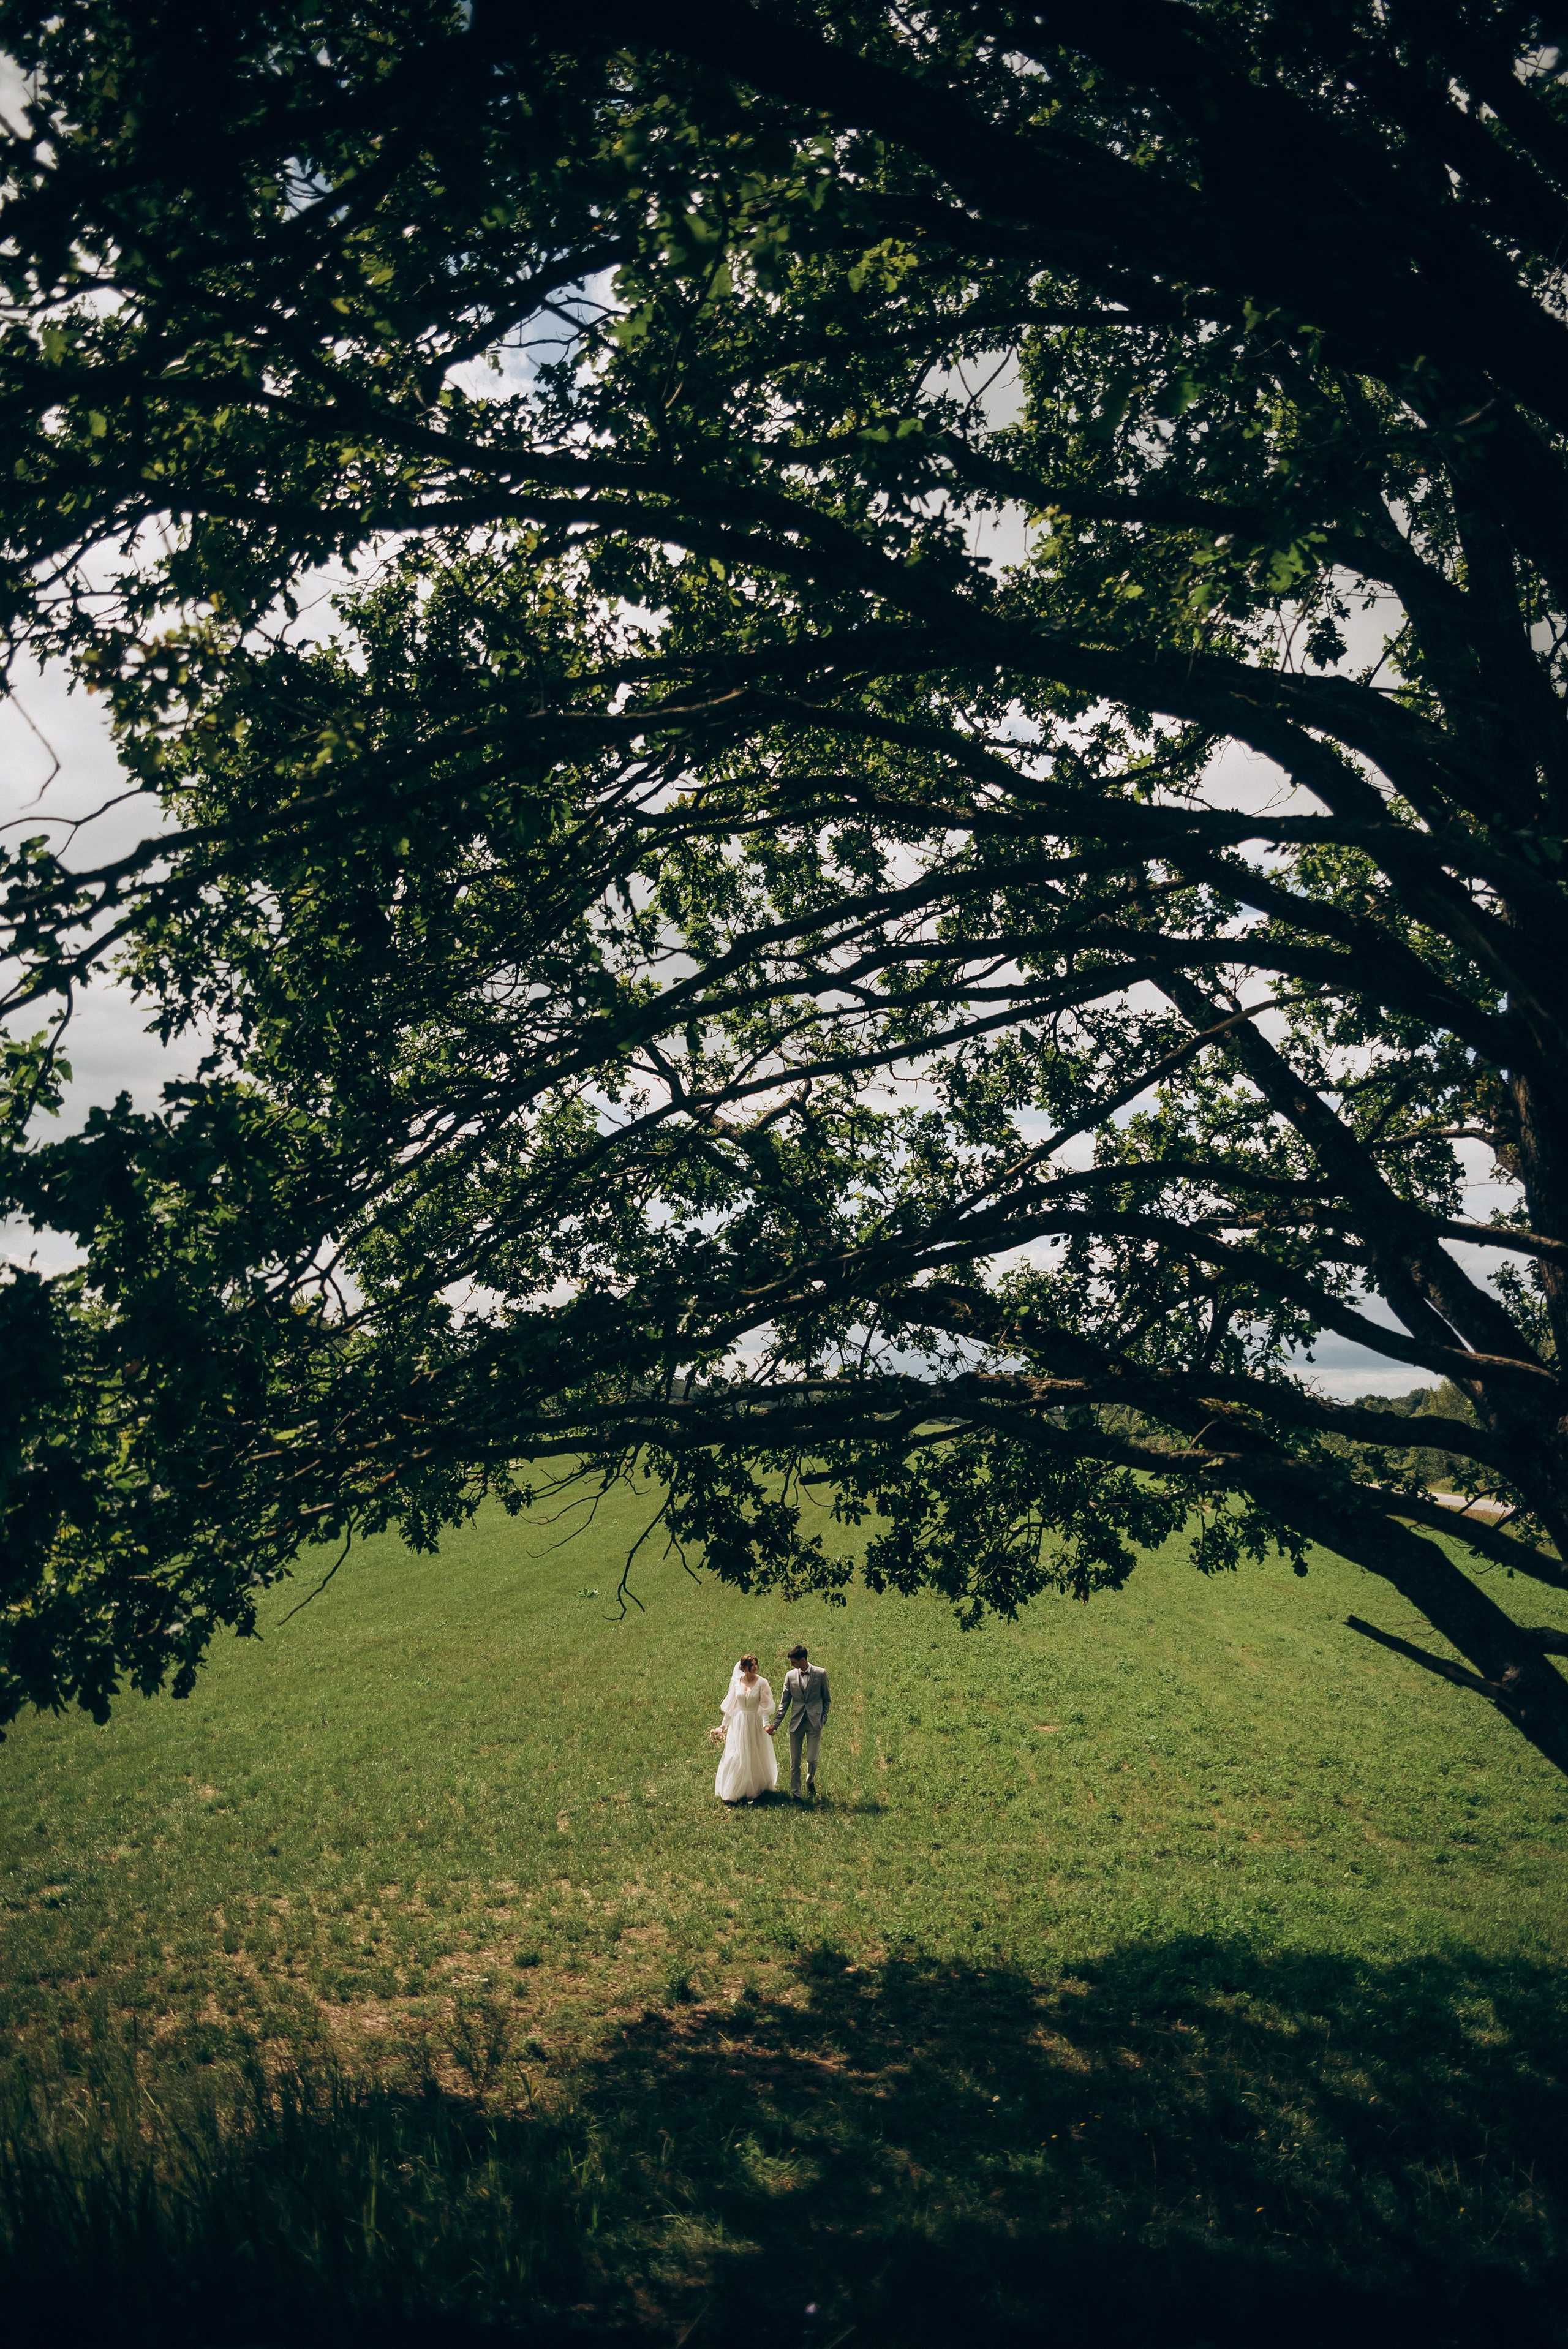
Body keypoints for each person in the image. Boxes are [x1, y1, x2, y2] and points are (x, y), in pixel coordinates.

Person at [766, 1643, 831, 1800]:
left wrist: (823, 1719)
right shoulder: (790, 1676)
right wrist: (776, 1723)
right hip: (796, 1723)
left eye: (794, 1663)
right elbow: (785, 1702)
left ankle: (810, 1780)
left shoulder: (821, 1674)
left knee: (812, 1760)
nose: (792, 1666)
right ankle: (796, 1794)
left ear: (803, 1660)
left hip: (815, 1723)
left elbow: (827, 1699)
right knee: (794, 1762)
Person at [712, 1654, 778, 1804]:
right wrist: (723, 1726)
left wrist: (766, 1725)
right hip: (739, 1722)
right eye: (751, 1665)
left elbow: (765, 1707)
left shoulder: (763, 1683)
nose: (755, 1667)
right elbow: (731, 1707)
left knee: (754, 1753)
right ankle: (734, 1790)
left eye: (756, 1664)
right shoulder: (737, 1682)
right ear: (743, 1668)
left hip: (754, 1722)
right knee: (736, 1754)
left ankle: (755, 1787)